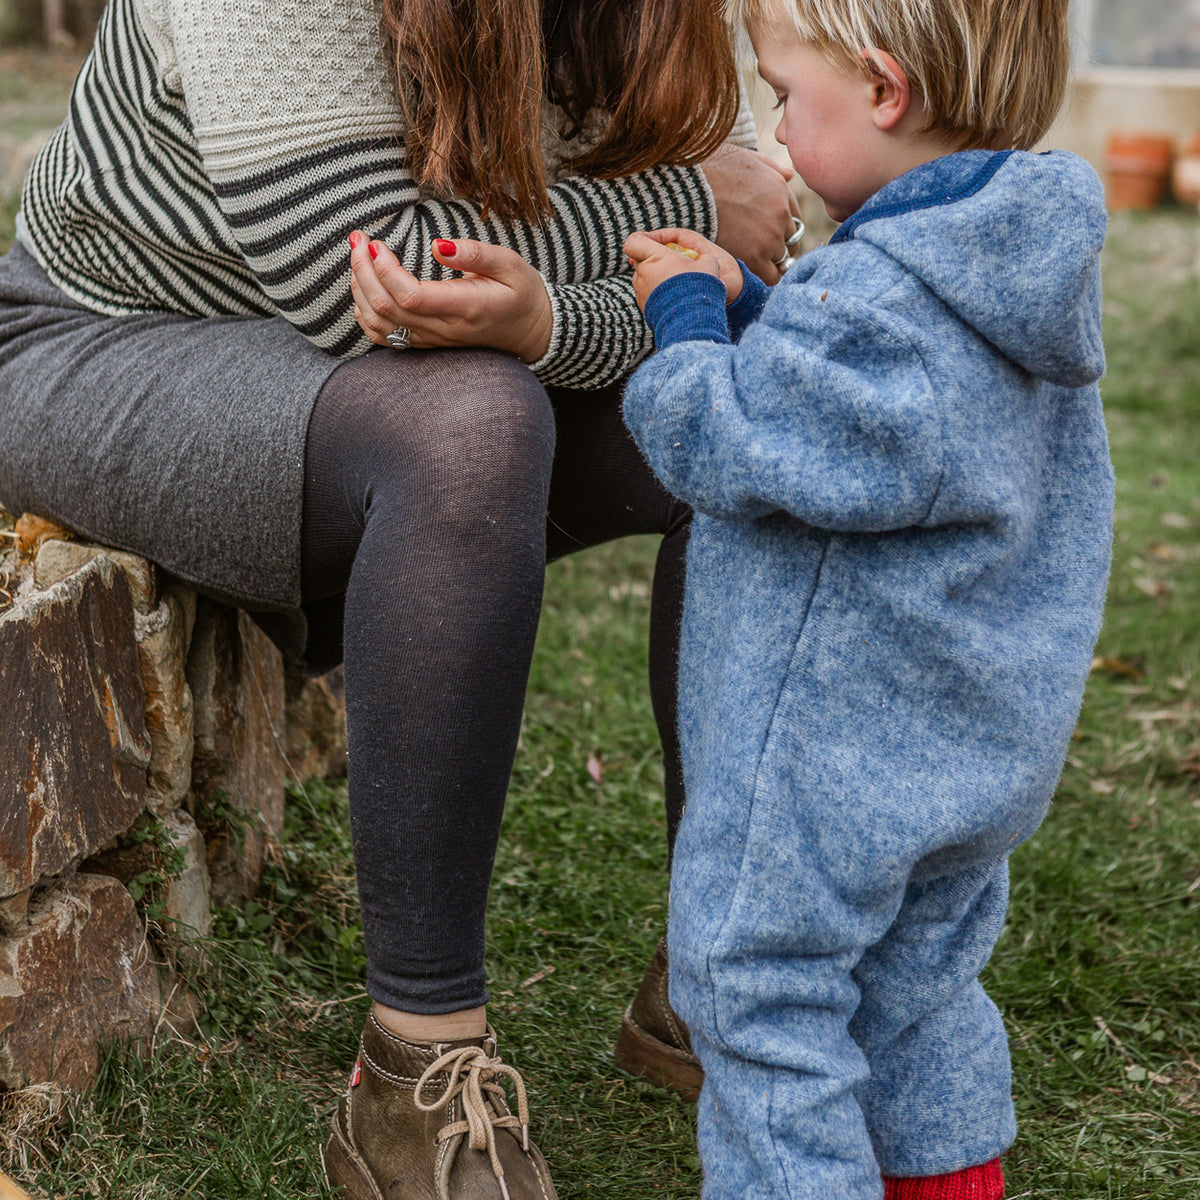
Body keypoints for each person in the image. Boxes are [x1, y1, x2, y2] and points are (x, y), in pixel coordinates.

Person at [0, 0, 804, 1195]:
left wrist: (552, 313)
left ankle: (728, 976)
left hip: (391, 360)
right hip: (116, 340)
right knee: (474, 425)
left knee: (750, 405)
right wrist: (684, 203)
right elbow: (366, 275)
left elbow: (695, 289)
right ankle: (419, 1065)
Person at [617, 0, 1114, 1197]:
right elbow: (872, 425)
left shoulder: (878, 299)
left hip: (828, 759)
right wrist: (758, 307)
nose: (776, 132)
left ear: (884, 91)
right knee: (914, 997)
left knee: (757, 1001)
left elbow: (730, 445)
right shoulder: (999, 272)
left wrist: (684, 318)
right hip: (967, 747)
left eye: (787, 96)